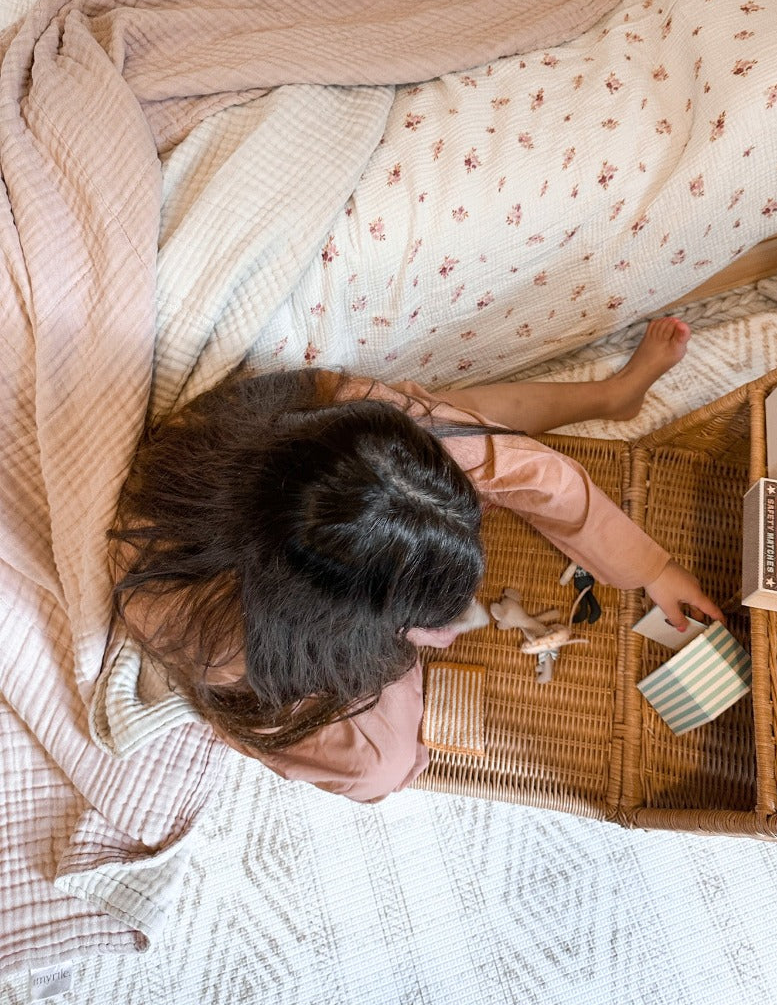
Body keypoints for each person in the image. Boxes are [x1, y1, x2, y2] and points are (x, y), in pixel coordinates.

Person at [111, 317, 724, 804]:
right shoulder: (204, 629)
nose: (446, 636)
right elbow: (336, 748)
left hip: (311, 453)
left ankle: (609, 397)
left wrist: (649, 568)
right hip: (260, 615)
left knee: (463, 427)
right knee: (382, 767)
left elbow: (530, 471)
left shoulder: (364, 431)